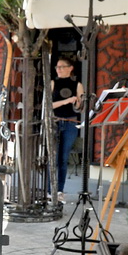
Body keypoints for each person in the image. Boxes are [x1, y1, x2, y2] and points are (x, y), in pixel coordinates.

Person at [51, 56, 83, 203]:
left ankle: (59, 191)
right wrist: (66, 101)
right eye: (57, 67)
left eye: (62, 67)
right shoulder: (53, 83)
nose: (58, 69)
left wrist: (77, 103)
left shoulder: (77, 84)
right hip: (55, 122)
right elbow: (48, 105)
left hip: (70, 123)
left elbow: (79, 108)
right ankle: (49, 190)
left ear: (70, 68)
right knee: (52, 158)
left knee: (63, 158)